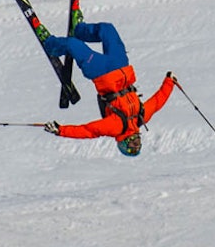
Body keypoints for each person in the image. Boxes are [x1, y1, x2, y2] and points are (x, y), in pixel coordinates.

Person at [40, 19, 175, 156]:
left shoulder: (116, 127)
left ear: (124, 144)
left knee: (73, 45)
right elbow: (158, 102)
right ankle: (79, 29)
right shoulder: (141, 117)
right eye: (139, 145)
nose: (137, 143)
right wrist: (169, 82)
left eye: (133, 146)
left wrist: (60, 130)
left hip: (101, 73)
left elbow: (88, 131)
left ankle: (49, 44)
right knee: (107, 30)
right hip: (122, 66)